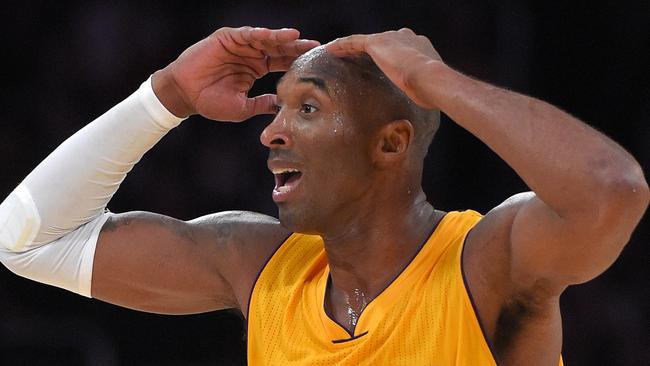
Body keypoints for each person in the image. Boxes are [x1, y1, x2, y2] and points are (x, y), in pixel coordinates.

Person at [0, 25, 647, 365]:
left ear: (390, 145)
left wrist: (436, 80)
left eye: (307, 109)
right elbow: (26, 239)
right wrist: (164, 95)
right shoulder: (260, 266)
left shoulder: (485, 265)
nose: (271, 133)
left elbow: (611, 192)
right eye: (277, 109)